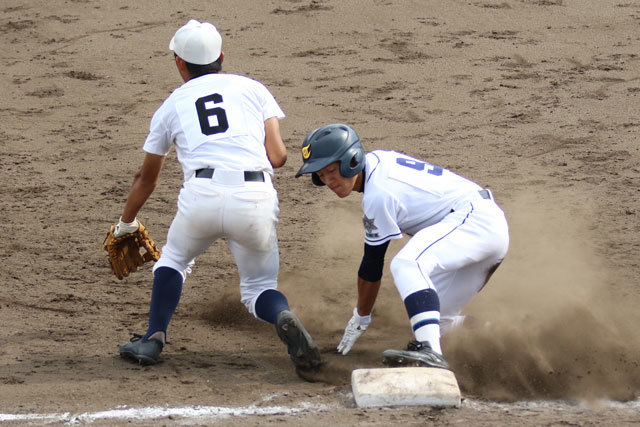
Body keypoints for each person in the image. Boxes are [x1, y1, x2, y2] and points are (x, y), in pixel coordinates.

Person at [113, 19, 322, 372]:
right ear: (222, 56)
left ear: (179, 62)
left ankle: (153, 339)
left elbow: (145, 179)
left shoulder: (171, 106)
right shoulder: (253, 89)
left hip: (202, 196)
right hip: (254, 198)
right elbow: (278, 157)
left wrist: (126, 223)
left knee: (174, 261)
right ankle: (282, 314)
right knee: (258, 287)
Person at [295, 124, 509, 369]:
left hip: (474, 221)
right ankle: (509, 338)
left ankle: (431, 353)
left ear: (351, 160)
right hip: (483, 226)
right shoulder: (379, 160)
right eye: (321, 175)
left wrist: (361, 316)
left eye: (331, 171)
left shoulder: (378, 193)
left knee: (408, 264)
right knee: (438, 324)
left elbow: (373, 261)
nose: (328, 181)